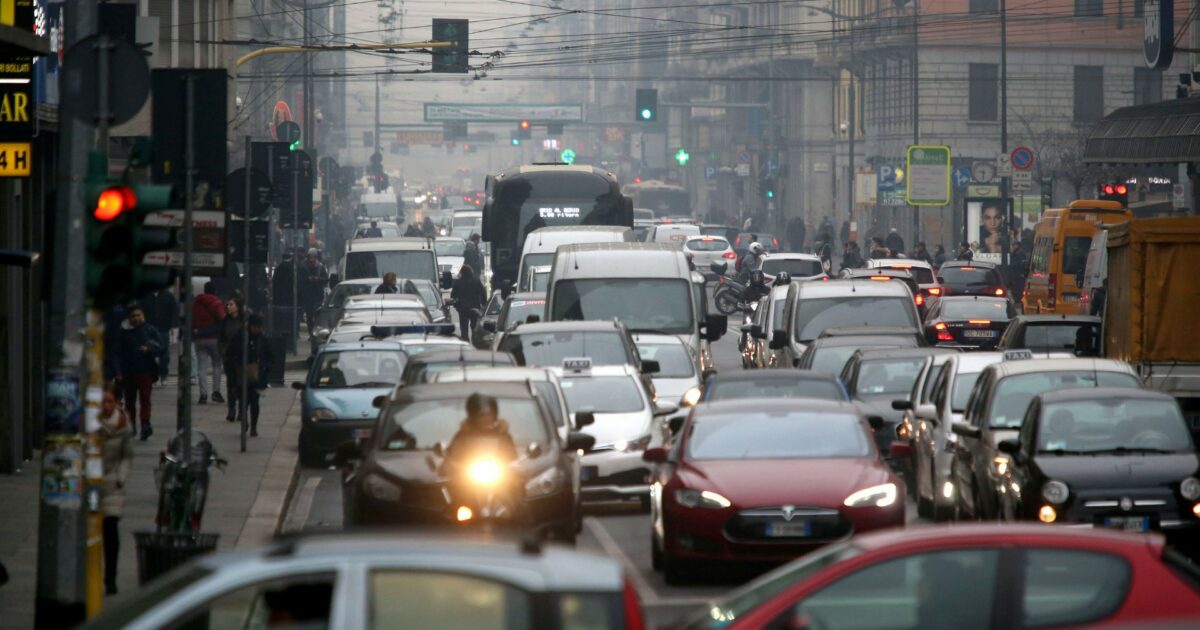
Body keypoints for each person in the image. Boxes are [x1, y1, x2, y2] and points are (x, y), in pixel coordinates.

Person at [98, 384, 133, 595]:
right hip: (91, 484)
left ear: (116, 403)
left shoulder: (122, 424)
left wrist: (121, 477)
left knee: (110, 530)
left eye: (110, 401)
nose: (106, 405)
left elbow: (127, 455)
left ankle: (110, 578)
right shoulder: (89, 423)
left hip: (112, 485)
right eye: (102, 401)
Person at [115, 305, 163, 441]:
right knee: (129, 401)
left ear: (143, 316)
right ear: (129, 318)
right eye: (133, 316)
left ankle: (145, 425)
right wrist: (118, 372)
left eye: (138, 315)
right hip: (128, 371)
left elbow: (160, 347)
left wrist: (149, 349)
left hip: (145, 371)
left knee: (145, 400)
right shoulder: (123, 332)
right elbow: (117, 352)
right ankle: (131, 426)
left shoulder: (150, 330)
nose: (136, 318)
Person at [226, 313, 273, 437]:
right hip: (242, 374)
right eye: (255, 327)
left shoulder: (262, 339)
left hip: (257, 375)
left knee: (255, 402)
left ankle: (253, 427)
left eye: (259, 327)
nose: (258, 329)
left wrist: (265, 368)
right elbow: (230, 354)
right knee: (243, 401)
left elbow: (270, 356)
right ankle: (244, 422)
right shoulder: (241, 336)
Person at [444, 393, 518, 465]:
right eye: (481, 415)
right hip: (466, 473)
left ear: (495, 415)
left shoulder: (503, 436)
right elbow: (450, 461)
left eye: (489, 414)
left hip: (501, 473)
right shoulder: (462, 437)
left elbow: (512, 460)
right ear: (473, 416)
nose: (486, 419)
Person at [192, 282, 226, 405]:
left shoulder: (196, 303)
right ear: (215, 291)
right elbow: (222, 319)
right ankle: (216, 392)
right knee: (217, 365)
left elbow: (191, 319)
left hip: (199, 338)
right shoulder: (217, 303)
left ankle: (203, 394)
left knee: (201, 367)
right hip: (214, 338)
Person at [138, 289, 177, 383]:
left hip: (164, 328)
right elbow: (140, 310)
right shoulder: (145, 296)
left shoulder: (168, 295)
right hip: (149, 329)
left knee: (164, 354)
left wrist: (173, 326)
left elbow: (174, 311)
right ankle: (152, 374)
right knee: (149, 352)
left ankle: (163, 374)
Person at [219, 298, 246, 423]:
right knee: (231, 384)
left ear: (237, 307)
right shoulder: (225, 321)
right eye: (227, 304)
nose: (228, 306)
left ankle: (242, 410)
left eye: (231, 304)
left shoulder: (243, 321)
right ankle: (231, 410)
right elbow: (221, 338)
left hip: (242, 358)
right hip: (229, 357)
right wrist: (223, 353)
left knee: (241, 385)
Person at [451, 265, 486, 340]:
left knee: (464, 329)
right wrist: (483, 304)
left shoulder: (458, 283)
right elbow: (483, 293)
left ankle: (465, 341)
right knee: (474, 327)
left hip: (462, 308)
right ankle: (474, 341)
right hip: (474, 308)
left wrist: (456, 305)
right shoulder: (476, 281)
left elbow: (453, 296)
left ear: (462, 273)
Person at [298, 248, 328, 336]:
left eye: (314, 257)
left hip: (318, 295)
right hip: (307, 295)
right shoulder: (303, 266)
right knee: (309, 316)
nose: (312, 260)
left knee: (317, 315)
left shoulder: (320, 267)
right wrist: (308, 279)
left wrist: (318, 279)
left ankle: (315, 333)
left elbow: (326, 279)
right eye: (310, 257)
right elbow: (300, 279)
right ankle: (311, 333)